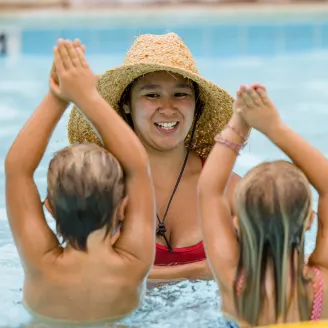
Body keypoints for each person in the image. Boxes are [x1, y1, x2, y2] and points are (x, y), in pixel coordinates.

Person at [4, 39, 155, 323]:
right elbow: (138, 167)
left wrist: (57, 96)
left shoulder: (41, 264)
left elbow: (17, 169)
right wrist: (88, 97)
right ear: (124, 207)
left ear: (49, 207)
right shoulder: (133, 264)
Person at [67, 33, 236, 280]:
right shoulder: (100, 186)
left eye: (180, 94)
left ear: (197, 106)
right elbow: (87, 272)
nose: (168, 108)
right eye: (152, 95)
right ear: (126, 104)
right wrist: (201, 270)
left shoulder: (229, 188)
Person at [198, 83, 328, 327]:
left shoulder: (233, 281)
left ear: (237, 223)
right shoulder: (326, 282)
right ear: (310, 219)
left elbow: (208, 191)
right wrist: (273, 127)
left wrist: (239, 123)